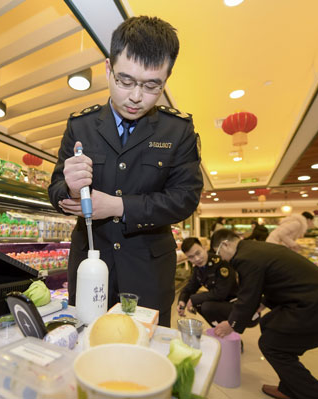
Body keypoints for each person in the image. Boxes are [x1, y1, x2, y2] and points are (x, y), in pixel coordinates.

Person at [48, 16, 203, 327]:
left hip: (148, 270)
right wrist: (69, 189)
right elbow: (55, 190)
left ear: (165, 79)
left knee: (144, 354)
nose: (136, 96)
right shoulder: (80, 125)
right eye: (125, 80)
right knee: (87, 342)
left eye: (151, 85)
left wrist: (118, 206)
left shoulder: (178, 130)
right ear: (108, 69)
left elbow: (185, 199)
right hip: (90, 264)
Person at [211, 229, 318, 399]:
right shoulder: (255, 249)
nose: (222, 258)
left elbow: (247, 296)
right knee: (268, 325)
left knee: (272, 345)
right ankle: (287, 389)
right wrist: (264, 302)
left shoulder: (244, 258)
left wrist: (231, 324)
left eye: (218, 252)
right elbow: (280, 278)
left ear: (225, 244)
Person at [177, 237, 239, 326]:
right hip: (222, 303)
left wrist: (193, 299)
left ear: (204, 248)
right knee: (199, 304)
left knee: (207, 306)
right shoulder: (198, 268)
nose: (197, 259)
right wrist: (182, 301)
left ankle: (228, 332)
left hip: (236, 303)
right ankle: (218, 328)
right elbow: (190, 287)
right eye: (191, 257)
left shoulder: (220, 263)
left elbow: (220, 293)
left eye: (198, 253)